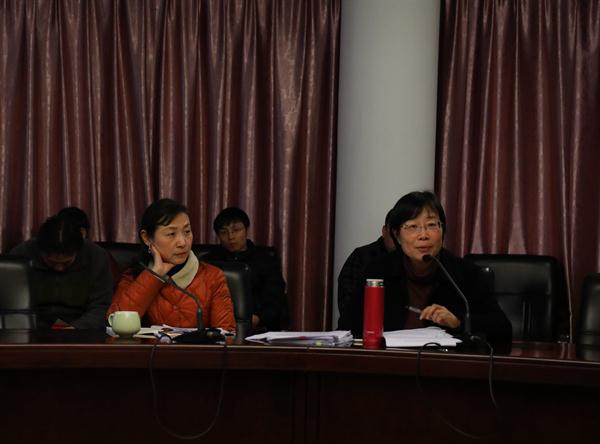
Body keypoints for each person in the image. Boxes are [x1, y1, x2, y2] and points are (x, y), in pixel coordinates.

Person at [339, 191, 512, 344]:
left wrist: (459, 321)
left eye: (431, 225)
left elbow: (503, 330)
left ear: (442, 231)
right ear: (397, 236)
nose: (423, 235)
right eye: (412, 227)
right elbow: (347, 327)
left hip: (445, 365)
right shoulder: (378, 270)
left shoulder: (465, 273)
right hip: (389, 362)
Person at [107, 198, 236, 331]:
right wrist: (153, 276)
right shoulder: (133, 276)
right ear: (147, 238)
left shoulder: (213, 277)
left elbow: (226, 334)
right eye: (171, 234)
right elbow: (116, 325)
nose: (182, 243)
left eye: (187, 232)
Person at [10, 213, 113, 329]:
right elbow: (11, 305)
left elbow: (101, 306)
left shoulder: (96, 256)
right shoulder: (21, 255)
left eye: (66, 263)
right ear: (40, 251)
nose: (59, 268)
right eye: (52, 263)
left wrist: (76, 328)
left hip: (82, 327)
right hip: (31, 327)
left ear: (78, 251)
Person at [203, 207, 287, 332]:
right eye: (224, 232)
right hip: (217, 326)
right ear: (218, 236)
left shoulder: (265, 260)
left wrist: (258, 319)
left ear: (246, 230)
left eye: (236, 230)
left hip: (257, 326)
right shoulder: (209, 261)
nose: (231, 237)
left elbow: (276, 298)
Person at [337, 208, 395, 328]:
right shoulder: (362, 257)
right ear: (384, 231)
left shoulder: (416, 261)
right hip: (362, 332)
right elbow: (347, 308)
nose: (398, 239)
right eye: (394, 232)